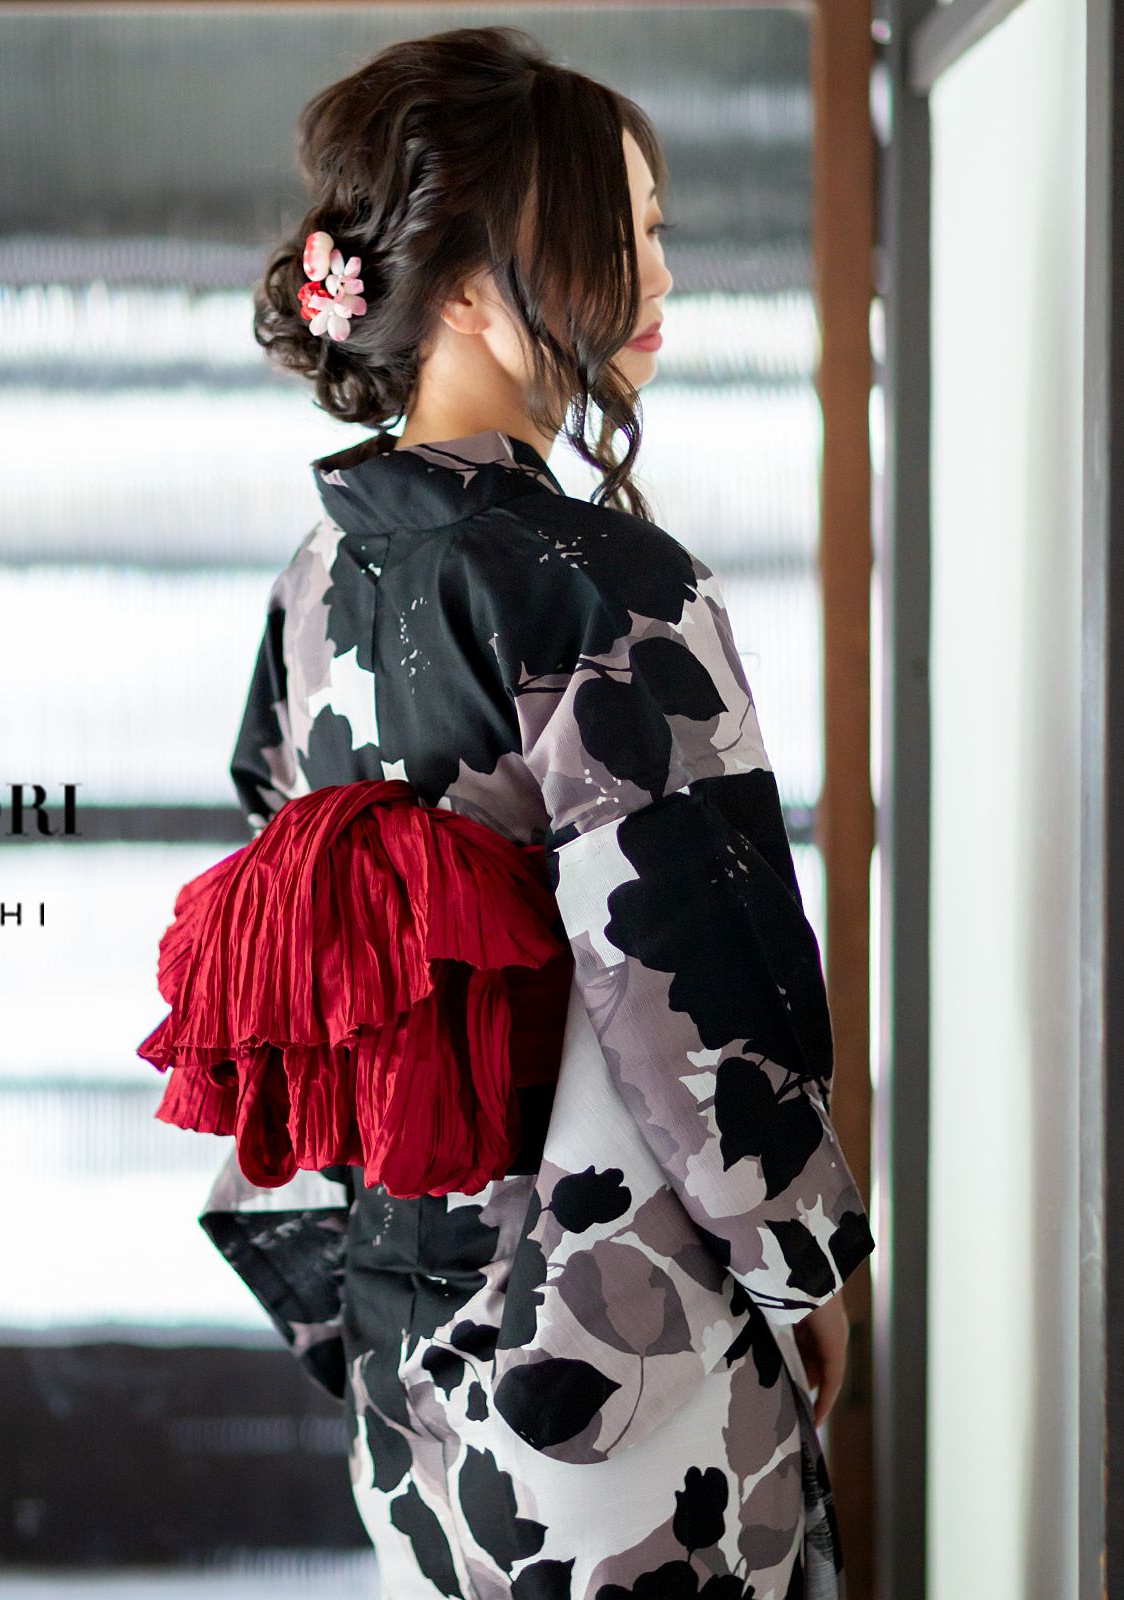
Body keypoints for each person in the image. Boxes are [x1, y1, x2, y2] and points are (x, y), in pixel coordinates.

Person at [142, 25, 875, 1599]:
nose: (658, 270)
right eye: (622, 229)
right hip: (619, 1352)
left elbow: (292, 971)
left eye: (658, 227)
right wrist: (806, 1261)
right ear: (470, 287)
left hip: (405, 1355)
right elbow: (692, 976)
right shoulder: (601, 588)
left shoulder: (317, 584)